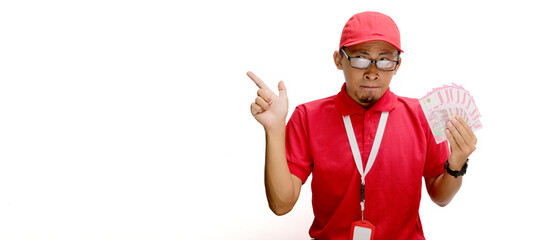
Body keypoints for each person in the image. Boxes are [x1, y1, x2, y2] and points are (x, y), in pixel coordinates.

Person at [248, 11, 477, 240]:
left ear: (398, 65)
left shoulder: (424, 116)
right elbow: (281, 204)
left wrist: (456, 163)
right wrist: (275, 129)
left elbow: (441, 197)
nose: (372, 72)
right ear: (339, 60)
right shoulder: (307, 117)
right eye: (360, 58)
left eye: (385, 60)